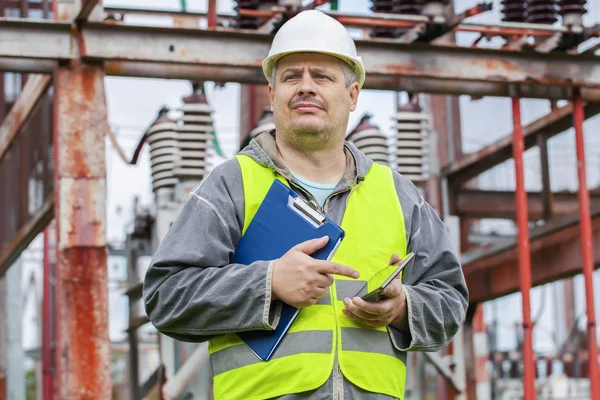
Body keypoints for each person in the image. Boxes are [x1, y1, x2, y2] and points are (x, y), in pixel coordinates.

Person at [144, 9, 468, 400]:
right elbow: (167, 296)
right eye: (291, 77)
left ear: (352, 96)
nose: (306, 87)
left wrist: (402, 309)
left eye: (322, 76)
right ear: (272, 94)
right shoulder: (233, 184)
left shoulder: (397, 194)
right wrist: (268, 283)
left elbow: (450, 301)